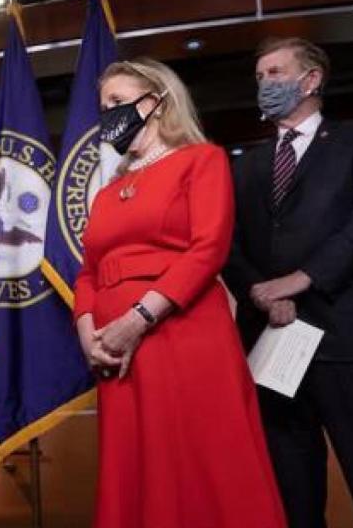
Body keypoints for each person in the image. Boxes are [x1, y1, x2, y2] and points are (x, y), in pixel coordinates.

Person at [74, 58, 286, 528]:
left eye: (116, 101)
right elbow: (86, 273)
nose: (106, 113)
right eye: (101, 105)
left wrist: (137, 319)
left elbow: (208, 249)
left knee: (201, 461)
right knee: (135, 466)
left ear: (153, 101)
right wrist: (90, 335)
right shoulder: (108, 192)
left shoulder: (202, 160)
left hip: (181, 335)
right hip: (115, 354)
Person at [224, 37, 353, 528]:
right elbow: (227, 243)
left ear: (312, 80)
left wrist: (300, 280)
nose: (265, 84)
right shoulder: (244, 165)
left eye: (277, 73)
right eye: (260, 76)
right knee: (291, 493)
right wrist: (260, 292)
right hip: (272, 345)